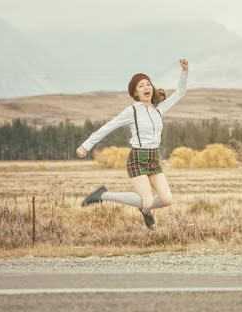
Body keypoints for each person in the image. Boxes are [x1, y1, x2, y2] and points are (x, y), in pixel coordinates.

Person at [76, 58, 189, 228]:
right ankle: (103, 195)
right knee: (147, 200)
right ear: (136, 93)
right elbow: (109, 127)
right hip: (137, 158)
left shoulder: (159, 108)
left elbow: (180, 92)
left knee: (166, 199)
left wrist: (184, 71)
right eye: (141, 86)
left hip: (153, 159)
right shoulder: (132, 111)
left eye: (148, 84)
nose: (146, 88)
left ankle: (145, 211)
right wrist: (86, 145)